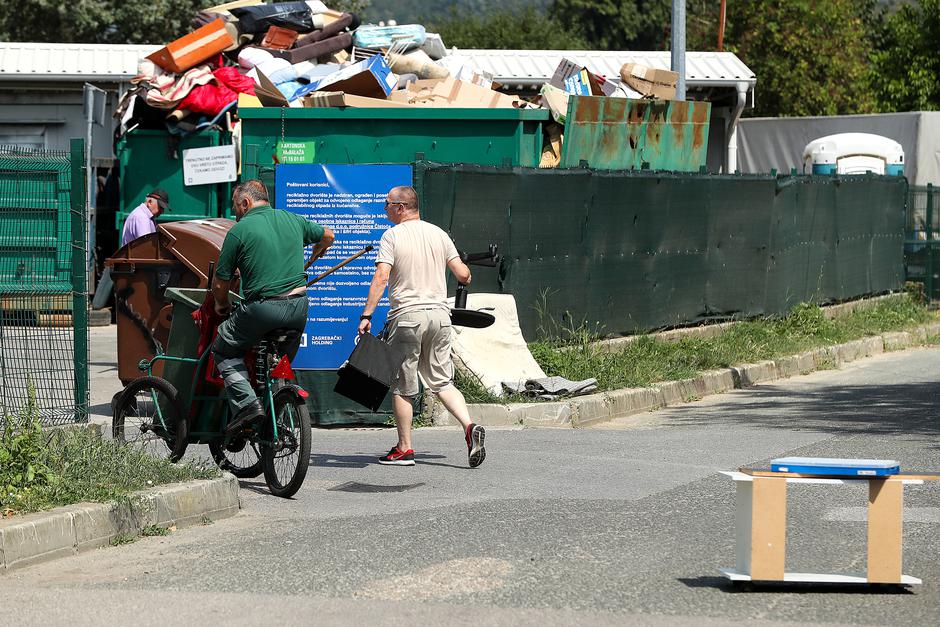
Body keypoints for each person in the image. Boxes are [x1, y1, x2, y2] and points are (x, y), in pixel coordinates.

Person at [359, 185, 486, 468]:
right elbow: (463, 274)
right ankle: (469, 426)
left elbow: (381, 277)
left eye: (388, 204)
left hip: (408, 317)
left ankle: (404, 449)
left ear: (401, 207)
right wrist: (464, 275)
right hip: (440, 317)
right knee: (442, 381)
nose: (385, 209)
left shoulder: (392, 236)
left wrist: (366, 314)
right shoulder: (439, 233)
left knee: (403, 387)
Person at [212, 180, 334, 435]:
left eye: (236, 206)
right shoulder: (293, 219)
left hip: (263, 308)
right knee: (278, 363)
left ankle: (247, 406)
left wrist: (221, 305)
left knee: (224, 348)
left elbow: (221, 281)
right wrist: (317, 252)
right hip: (299, 307)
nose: (235, 212)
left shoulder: (240, 230)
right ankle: (275, 408)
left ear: (245, 203)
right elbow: (329, 234)